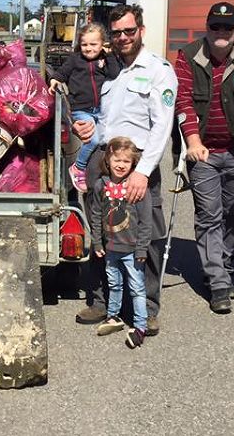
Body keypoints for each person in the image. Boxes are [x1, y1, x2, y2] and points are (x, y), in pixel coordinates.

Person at [73, 4, 177, 336]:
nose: (122, 37)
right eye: (116, 33)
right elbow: (106, 119)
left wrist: (143, 171)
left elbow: (162, 126)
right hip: (103, 161)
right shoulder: (111, 72)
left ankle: (146, 306)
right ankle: (104, 302)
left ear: (141, 31)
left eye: (128, 31)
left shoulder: (159, 70)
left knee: (145, 232)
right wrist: (87, 130)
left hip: (136, 164)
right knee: (103, 230)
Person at [174, 2, 234, 314]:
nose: (221, 32)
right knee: (208, 215)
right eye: (215, 26)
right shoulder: (188, 55)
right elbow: (183, 100)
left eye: (227, 27)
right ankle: (217, 280)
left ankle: (225, 264)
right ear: (207, 27)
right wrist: (192, 140)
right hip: (202, 152)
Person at [89, 137, 152, 348]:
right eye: (116, 159)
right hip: (110, 248)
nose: (120, 165)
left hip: (133, 250)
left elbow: (145, 221)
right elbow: (96, 215)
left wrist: (142, 248)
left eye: (126, 161)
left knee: (136, 288)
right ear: (107, 160)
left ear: (133, 164)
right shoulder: (101, 185)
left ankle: (140, 326)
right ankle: (113, 316)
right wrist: (97, 243)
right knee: (114, 284)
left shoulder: (137, 187)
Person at [47, 22, 120, 193]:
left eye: (93, 44)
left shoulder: (105, 59)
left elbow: (114, 74)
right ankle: (78, 167)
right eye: (84, 44)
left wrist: (109, 56)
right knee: (93, 139)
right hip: (81, 109)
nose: (88, 48)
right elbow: (61, 73)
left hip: (101, 109)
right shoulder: (75, 59)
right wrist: (54, 81)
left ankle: (102, 173)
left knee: (106, 139)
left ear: (103, 44)